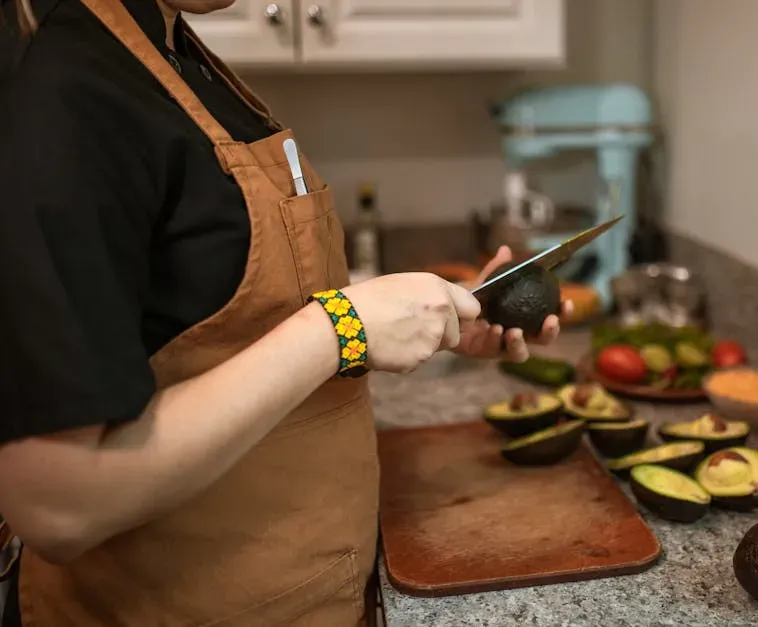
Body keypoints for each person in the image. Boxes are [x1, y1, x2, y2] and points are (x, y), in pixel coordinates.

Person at [0, 0, 572, 624]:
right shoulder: (66, 89)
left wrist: (412, 322)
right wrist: (340, 328)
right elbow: (58, 500)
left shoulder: (177, 53)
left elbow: (223, 328)